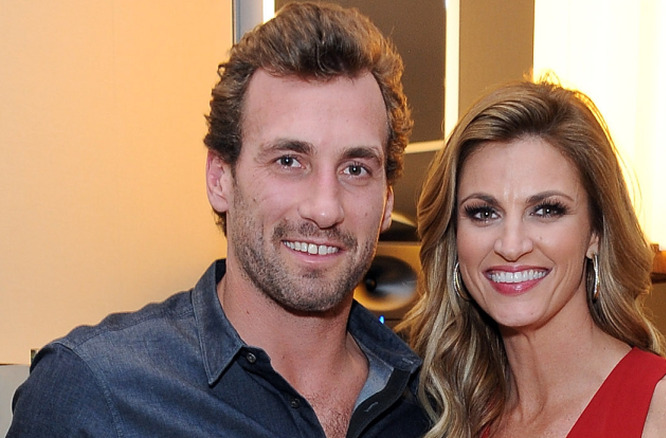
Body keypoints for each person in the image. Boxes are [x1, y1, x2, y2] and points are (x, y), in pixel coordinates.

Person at [9, 2, 429, 437]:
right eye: (289, 160)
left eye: (355, 169)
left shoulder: (436, 403)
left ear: (385, 203)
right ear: (219, 179)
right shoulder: (94, 393)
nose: (325, 208)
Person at [399, 78, 666, 438]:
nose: (511, 244)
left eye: (547, 210)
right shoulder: (444, 416)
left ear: (596, 232)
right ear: (454, 237)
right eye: (484, 213)